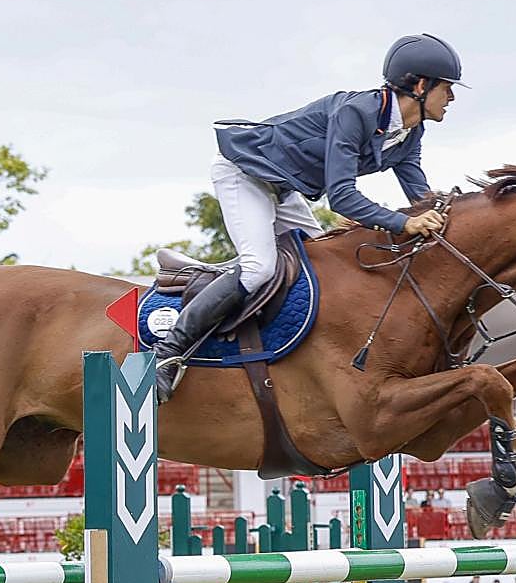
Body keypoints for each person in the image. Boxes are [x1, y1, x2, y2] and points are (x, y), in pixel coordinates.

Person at [153, 33, 467, 402]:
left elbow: (419, 195)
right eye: (447, 88)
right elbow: (342, 196)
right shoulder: (358, 112)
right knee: (258, 268)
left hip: (283, 187)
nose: (452, 98)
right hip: (245, 172)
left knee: (325, 266)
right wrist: (404, 224)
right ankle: (168, 352)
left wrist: (442, 217)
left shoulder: (409, 131)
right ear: (420, 85)